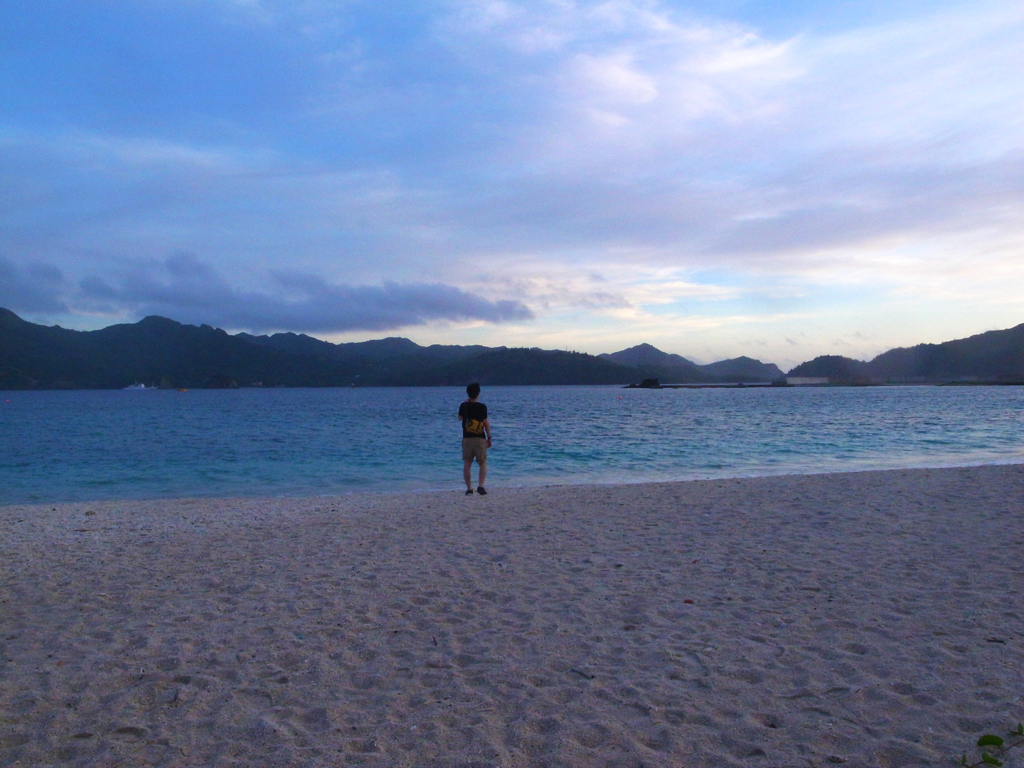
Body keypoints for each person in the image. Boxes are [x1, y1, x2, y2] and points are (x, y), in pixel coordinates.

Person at [457, 382, 492, 495]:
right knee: (482, 463)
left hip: (467, 438)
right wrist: (489, 437)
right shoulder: (482, 407)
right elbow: (485, 422)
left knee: (467, 463)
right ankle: (480, 486)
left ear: (468, 393)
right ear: (478, 393)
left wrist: (465, 404)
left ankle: (469, 488)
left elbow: (459, 418)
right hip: (479, 438)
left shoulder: (463, 405)